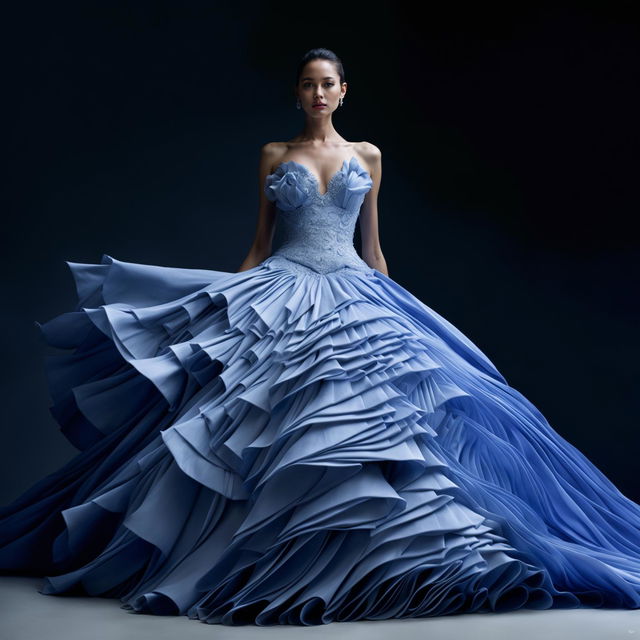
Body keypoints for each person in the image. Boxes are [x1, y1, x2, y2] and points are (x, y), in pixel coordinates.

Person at [1, 47, 639, 627]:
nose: (317, 94)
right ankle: (277, 550)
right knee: (275, 423)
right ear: (298, 93)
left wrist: (400, 310)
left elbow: (374, 248)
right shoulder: (274, 155)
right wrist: (226, 306)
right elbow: (258, 244)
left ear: (342, 91)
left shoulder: (368, 155)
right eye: (307, 84)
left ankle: (378, 558)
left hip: (359, 291)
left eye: (326, 84)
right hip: (287, 284)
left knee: (381, 424)